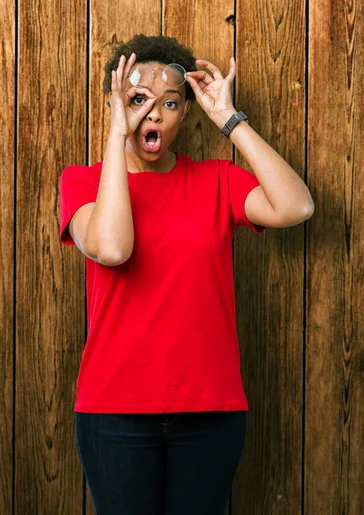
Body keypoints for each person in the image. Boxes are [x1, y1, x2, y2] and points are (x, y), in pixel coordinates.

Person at [59, 34, 314, 515]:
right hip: (115, 413)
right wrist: (117, 137)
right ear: (116, 105)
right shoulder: (82, 182)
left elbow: (296, 206)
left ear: (184, 113)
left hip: (210, 412)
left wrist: (229, 119)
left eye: (170, 103)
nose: (153, 115)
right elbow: (113, 247)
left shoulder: (216, 180)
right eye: (138, 101)